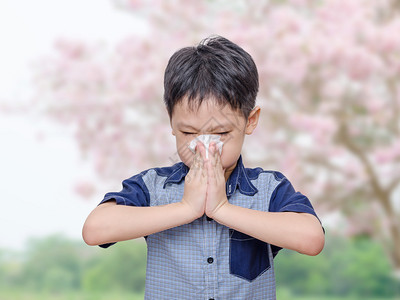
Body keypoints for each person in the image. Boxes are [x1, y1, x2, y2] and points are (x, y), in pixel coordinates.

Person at [82, 35, 325, 299]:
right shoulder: (153, 187)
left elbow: (311, 239)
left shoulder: (268, 189)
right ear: (171, 122)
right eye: (188, 132)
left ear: (250, 121)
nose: (204, 146)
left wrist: (222, 209)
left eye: (220, 133)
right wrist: (186, 208)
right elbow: (95, 230)